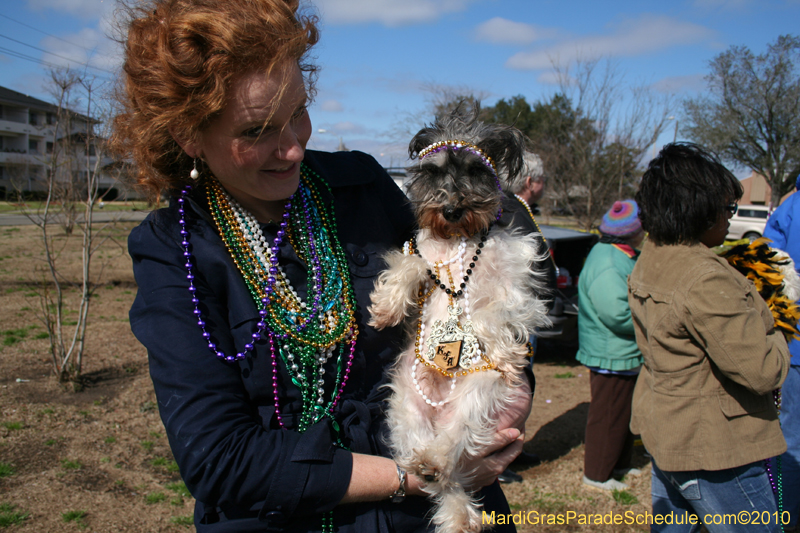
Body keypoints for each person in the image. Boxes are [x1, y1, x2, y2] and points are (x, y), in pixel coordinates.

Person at [111, 1, 532, 531]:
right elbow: (219, 459)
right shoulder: (175, 250)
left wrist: (488, 414)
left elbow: (474, 293)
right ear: (189, 136)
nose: (292, 147)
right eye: (258, 130)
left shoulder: (361, 186)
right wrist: (412, 476)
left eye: (298, 112)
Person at [629, 143, 791, 532]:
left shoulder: (653, 254)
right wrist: (781, 331)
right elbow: (761, 371)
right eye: (728, 210)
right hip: (716, 450)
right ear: (699, 211)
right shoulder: (704, 277)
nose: (729, 219)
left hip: (668, 429)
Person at [576, 200, 645, 491]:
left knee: (622, 413)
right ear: (632, 231)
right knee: (608, 415)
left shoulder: (621, 254)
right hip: (611, 352)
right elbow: (617, 314)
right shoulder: (607, 261)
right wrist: (650, 321)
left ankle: (619, 464)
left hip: (622, 352)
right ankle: (597, 475)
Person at [497, 151, 556, 482]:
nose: (544, 186)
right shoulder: (509, 208)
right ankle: (496, 457)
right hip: (511, 318)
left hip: (524, 315)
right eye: (542, 180)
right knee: (508, 388)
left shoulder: (520, 209)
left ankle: (513, 448)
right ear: (531, 181)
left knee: (522, 383)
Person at [763, 173, 800, 530]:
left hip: (794, 344)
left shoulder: (790, 209)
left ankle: (785, 517)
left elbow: (766, 275)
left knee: (791, 440)